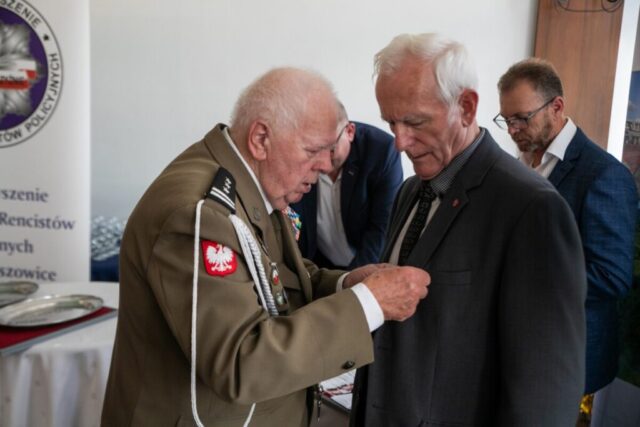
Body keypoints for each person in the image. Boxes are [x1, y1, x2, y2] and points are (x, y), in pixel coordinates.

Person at [101, 67, 430, 427]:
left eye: (328, 150)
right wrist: (367, 304)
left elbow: (274, 278)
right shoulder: (200, 215)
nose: (324, 166)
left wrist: (345, 284)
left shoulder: (250, 184)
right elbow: (240, 362)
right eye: (313, 150)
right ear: (260, 139)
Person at [351, 33, 587, 426]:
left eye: (414, 122)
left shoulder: (532, 208)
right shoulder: (410, 191)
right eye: (391, 122)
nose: (399, 142)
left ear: (466, 107)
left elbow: (544, 394)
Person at [496, 58, 638, 421]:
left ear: (557, 107)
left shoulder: (605, 175)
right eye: (506, 120)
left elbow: (611, 276)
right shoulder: (518, 164)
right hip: (518, 350)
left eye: (521, 118)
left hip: (570, 360)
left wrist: (523, 278)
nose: (512, 130)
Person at [291, 103, 403, 269]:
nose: (322, 162)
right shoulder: (296, 154)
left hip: (367, 266)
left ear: (350, 132)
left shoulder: (382, 151)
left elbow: (382, 230)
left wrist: (352, 281)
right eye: (314, 151)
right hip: (318, 267)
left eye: (331, 149)